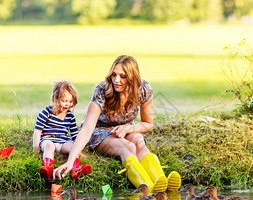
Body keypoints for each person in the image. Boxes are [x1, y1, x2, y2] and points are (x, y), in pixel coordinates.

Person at [52, 55, 180, 192]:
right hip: (98, 131)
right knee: (127, 146)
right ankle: (148, 188)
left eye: (123, 76)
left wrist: (128, 128)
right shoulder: (102, 91)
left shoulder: (144, 89)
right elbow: (87, 128)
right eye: (114, 75)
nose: (116, 80)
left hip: (121, 129)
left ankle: (162, 181)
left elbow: (148, 124)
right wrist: (71, 160)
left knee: (138, 140)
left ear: (132, 77)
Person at [33, 81, 91, 182]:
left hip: (62, 142)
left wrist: (78, 150)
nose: (67, 104)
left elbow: (75, 135)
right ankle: (48, 169)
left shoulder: (70, 116)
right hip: (47, 140)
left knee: (73, 147)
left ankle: (75, 170)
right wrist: (36, 147)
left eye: (70, 101)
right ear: (56, 99)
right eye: (64, 101)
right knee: (49, 146)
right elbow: (38, 130)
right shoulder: (47, 112)